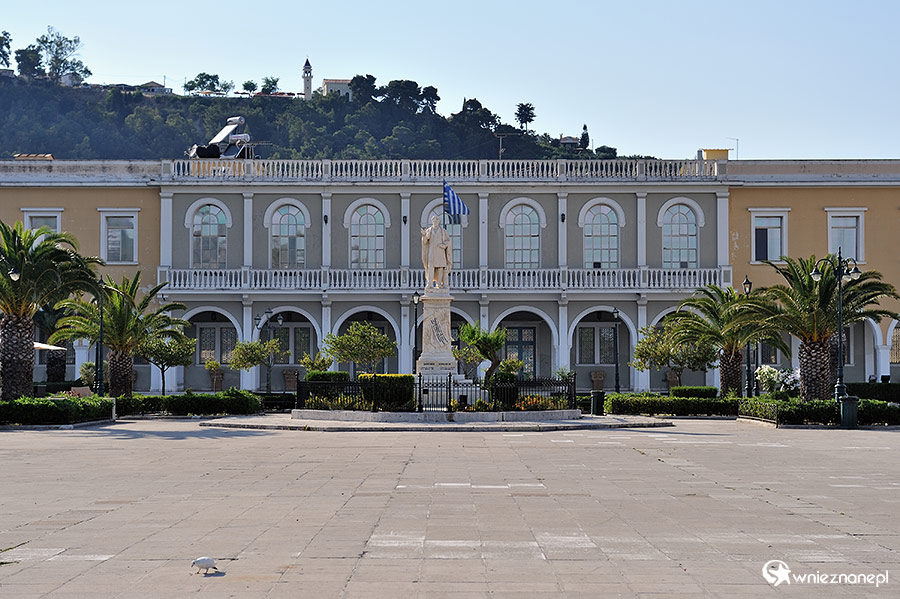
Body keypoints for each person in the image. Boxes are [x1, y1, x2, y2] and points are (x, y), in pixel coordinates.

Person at [421, 214, 452, 291]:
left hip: (440, 251)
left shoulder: (443, 231)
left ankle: (439, 284)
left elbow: (448, 241)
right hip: (431, 252)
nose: (435, 222)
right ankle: (430, 283)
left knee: (440, 268)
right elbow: (425, 241)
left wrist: (444, 245)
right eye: (433, 220)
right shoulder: (429, 231)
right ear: (432, 221)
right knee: (430, 267)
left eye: (436, 220)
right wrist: (424, 235)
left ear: (439, 222)